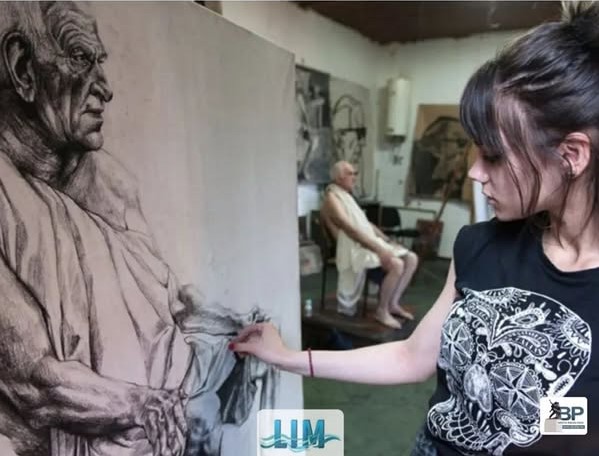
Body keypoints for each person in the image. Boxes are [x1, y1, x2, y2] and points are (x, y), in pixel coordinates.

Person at [232, 3, 599, 455]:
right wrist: (289, 359)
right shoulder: (480, 246)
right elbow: (412, 357)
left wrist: (528, 415)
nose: (475, 173)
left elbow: (582, 418)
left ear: (571, 155)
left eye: (493, 156)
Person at [0, 3, 276, 456]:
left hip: (170, 399)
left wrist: (230, 326)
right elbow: (34, 382)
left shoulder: (110, 183)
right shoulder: (11, 200)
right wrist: (142, 405)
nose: (106, 89)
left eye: (101, 63)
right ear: (23, 68)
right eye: (81, 59)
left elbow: (167, 304)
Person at [320, 160, 418, 329]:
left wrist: (386, 240)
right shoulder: (332, 198)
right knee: (396, 264)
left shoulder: (347, 196)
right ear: (338, 177)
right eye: (350, 174)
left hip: (367, 243)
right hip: (353, 248)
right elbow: (350, 230)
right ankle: (382, 310)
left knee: (412, 258)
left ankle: (392, 304)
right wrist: (379, 249)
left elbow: (366, 224)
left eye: (355, 173)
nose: (354, 177)